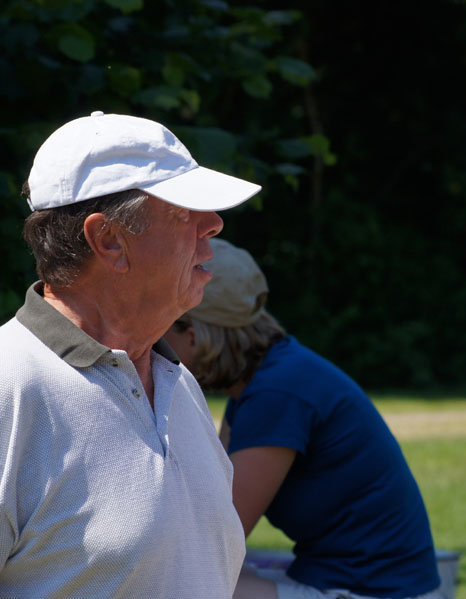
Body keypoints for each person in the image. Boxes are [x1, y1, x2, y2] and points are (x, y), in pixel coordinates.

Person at [0, 111, 261, 597]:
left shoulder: (177, 384)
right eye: (185, 210)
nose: (215, 225)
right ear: (108, 240)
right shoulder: (10, 387)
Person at [162, 238, 443, 599]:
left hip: (379, 592)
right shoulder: (270, 377)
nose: (155, 346)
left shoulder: (278, 394)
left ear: (194, 336)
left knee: (183, 581)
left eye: (162, 331)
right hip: (344, 579)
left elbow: (216, 537)